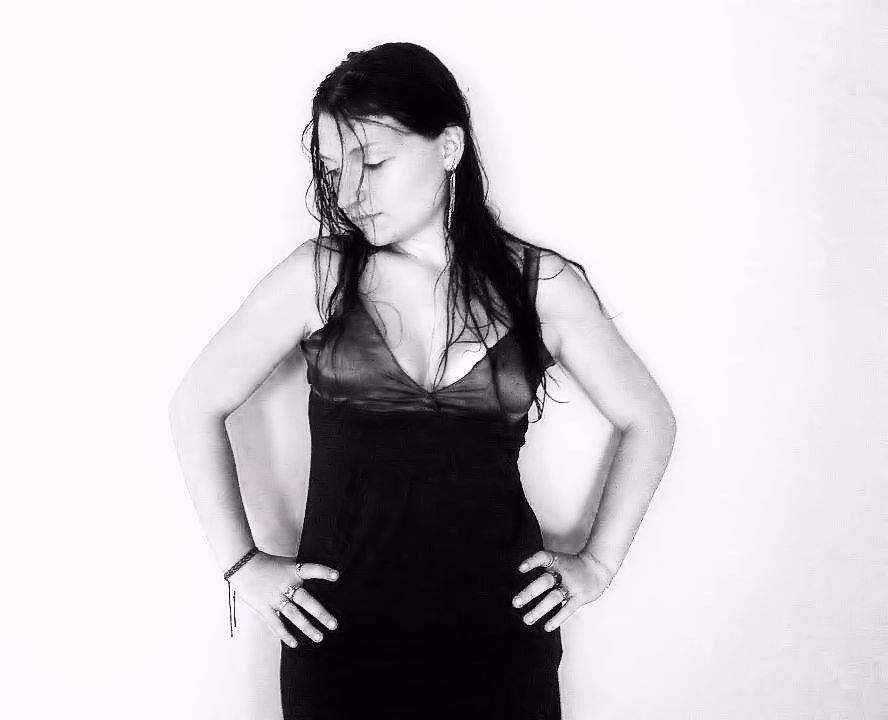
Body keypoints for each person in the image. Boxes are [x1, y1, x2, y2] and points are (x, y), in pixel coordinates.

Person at [168, 42, 677, 720]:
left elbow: (649, 420)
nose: (350, 192)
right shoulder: (319, 276)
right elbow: (195, 405)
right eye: (334, 168)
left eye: (373, 162)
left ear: (449, 148)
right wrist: (241, 565)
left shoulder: (541, 286)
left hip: (500, 642)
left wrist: (599, 565)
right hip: (340, 645)